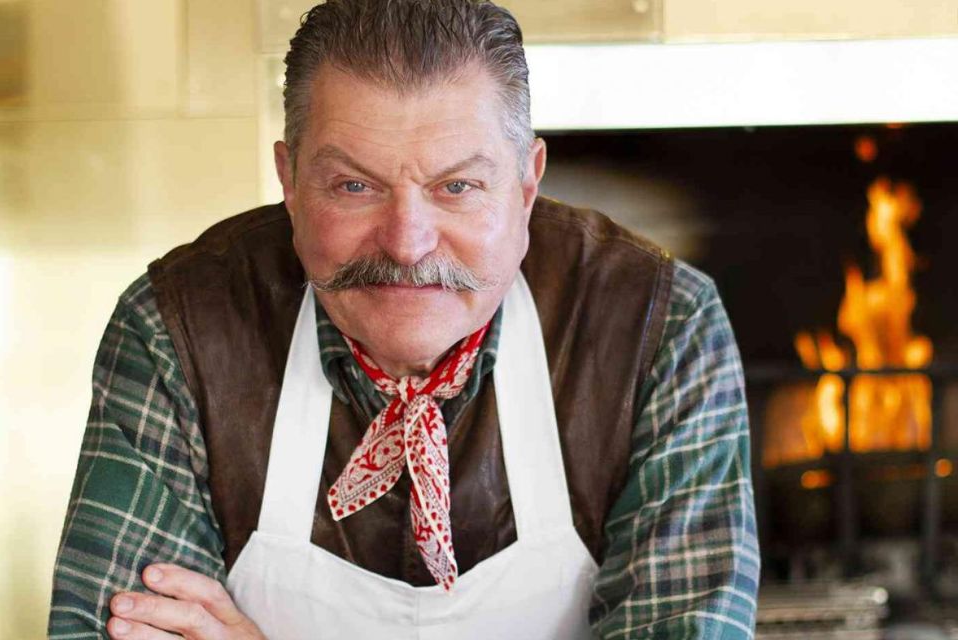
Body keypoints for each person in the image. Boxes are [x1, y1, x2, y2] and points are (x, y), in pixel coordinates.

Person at [49, 0, 760, 637]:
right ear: (290, 183)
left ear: (525, 185)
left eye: (457, 186)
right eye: (355, 185)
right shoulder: (178, 328)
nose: (406, 242)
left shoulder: (655, 326)